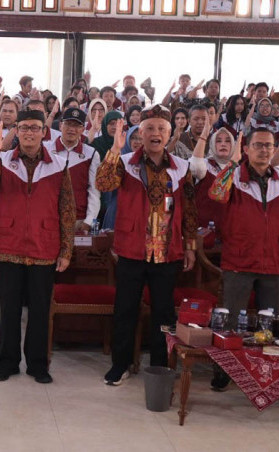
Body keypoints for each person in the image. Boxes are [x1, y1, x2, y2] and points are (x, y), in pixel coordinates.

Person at [96, 105, 197, 386]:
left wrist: (190, 245)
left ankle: (160, 366)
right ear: (140, 133)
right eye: (150, 129)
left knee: (163, 313)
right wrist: (115, 149)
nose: (155, 134)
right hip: (131, 248)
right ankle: (121, 364)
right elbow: (102, 183)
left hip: (167, 251)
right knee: (125, 309)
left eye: (161, 130)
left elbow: (189, 209)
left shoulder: (181, 168)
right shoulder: (125, 162)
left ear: (169, 135)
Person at [0, 109, 75, 384]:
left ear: (44, 132)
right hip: (9, 244)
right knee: (8, 309)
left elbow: (67, 209)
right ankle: (7, 363)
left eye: (35, 128)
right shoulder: (3, 160)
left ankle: (37, 364)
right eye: (24, 128)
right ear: (16, 131)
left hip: (44, 246)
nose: (29, 133)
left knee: (40, 309)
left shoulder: (58, 164)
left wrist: (66, 250)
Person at [208, 127, 279, 390]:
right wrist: (233, 164)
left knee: (268, 327)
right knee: (228, 323)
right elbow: (215, 194)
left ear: (274, 150)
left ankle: (262, 374)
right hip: (239, 260)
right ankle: (223, 372)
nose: (264, 150)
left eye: (268, 146)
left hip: (275, 262)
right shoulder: (233, 177)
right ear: (246, 149)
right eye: (258, 145)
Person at [46, 107, 100, 233]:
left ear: (82, 129)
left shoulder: (91, 154)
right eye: (68, 124)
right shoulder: (45, 149)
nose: (71, 129)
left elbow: (94, 189)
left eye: (76, 125)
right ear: (60, 126)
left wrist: (89, 220)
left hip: (79, 219)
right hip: (49, 217)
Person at [189, 118, 235, 229]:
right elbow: (195, 167)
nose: (223, 144)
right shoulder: (206, 165)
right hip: (204, 231)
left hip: (229, 230)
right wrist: (204, 135)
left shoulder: (237, 169)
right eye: (218, 141)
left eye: (227, 141)